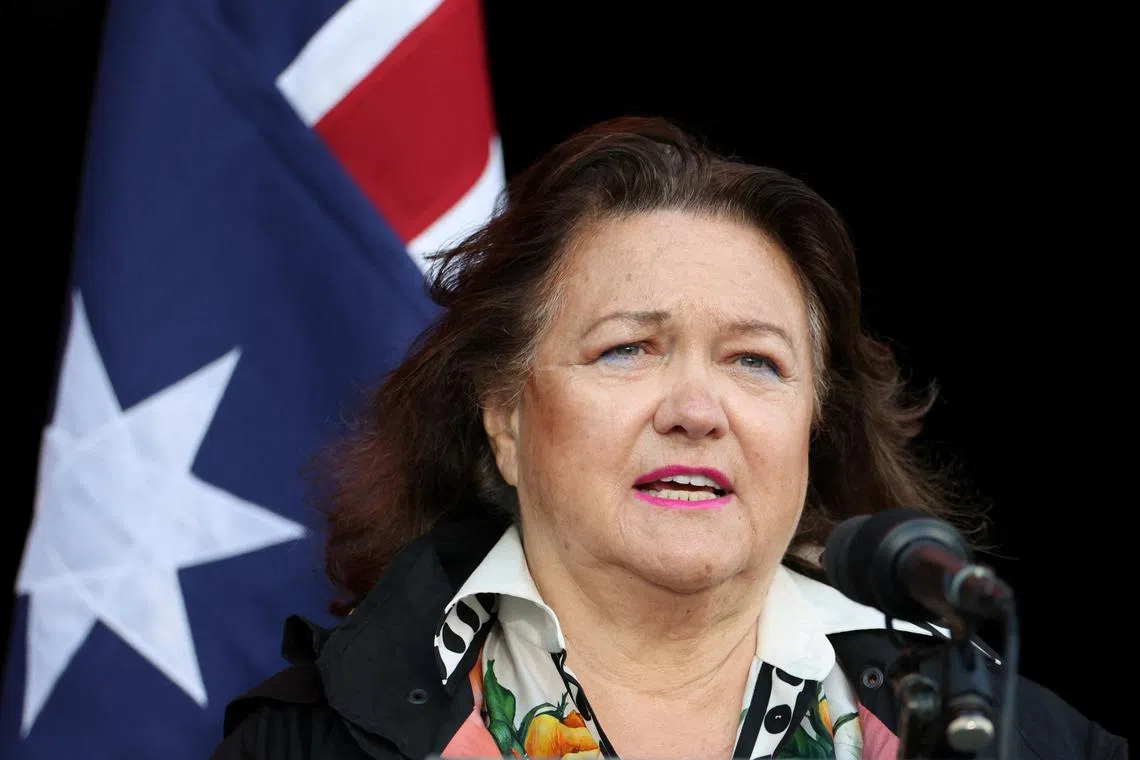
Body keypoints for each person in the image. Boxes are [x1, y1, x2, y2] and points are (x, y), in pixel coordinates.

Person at [212, 117, 1127, 759]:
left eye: (755, 362)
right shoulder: (304, 739)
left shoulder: (1020, 738)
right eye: (627, 349)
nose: (696, 409)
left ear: (814, 426)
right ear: (506, 420)